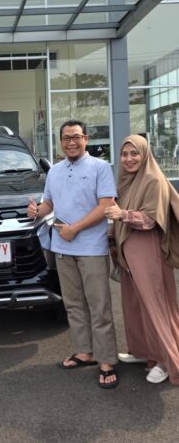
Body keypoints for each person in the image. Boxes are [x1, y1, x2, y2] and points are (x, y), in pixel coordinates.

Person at [27, 120, 118, 388]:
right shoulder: (54, 171)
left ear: (86, 139)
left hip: (91, 248)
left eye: (76, 137)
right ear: (61, 141)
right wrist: (37, 211)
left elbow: (106, 205)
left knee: (99, 306)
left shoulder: (100, 167)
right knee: (74, 304)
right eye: (66, 138)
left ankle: (106, 360)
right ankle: (84, 352)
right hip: (63, 248)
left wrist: (74, 228)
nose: (71, 142)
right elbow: (49, 203)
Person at [104, 134, 179, 384]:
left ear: (145, 154)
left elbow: (151, 219)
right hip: (129, 252)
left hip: (148, 251)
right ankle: (145, 352)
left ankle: (167, 361)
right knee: (134, 304)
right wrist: (113, 237)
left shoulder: (153, 180)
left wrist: (122, 215)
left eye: (134, 153)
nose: (129, 159)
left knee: (155, 306)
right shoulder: (126, 181)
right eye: (124, 154)